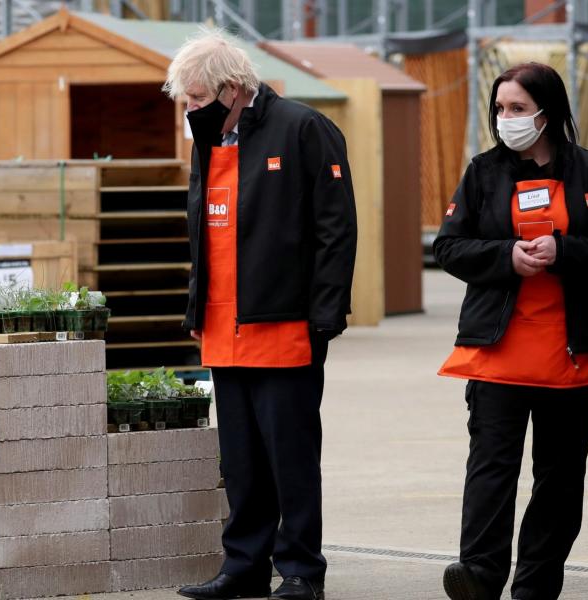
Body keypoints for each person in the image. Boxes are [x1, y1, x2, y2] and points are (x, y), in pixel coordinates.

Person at [434, 62, 588, 600]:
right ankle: (478, 574)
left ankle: (535, 585)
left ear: (547, 114)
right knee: (491, 469)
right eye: (500, 109)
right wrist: (507, 256)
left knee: (560, 478)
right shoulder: (482, 173)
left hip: (569, 357)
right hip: (498, 353)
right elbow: (449, 247)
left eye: (518, 109)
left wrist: (565, 251)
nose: (506, 119)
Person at [163, 29, 357, 600]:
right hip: (222, 327)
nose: (191, 112)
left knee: (290, 456)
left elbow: (335, 228)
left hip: (284, 324)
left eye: (196, 99)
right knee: (242, 460)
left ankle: (299, 571)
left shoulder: (302, 129)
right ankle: (243, 565)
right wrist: (196, 305)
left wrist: (325, 314)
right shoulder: (210, 142)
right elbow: (203, 233)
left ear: (230, 88)